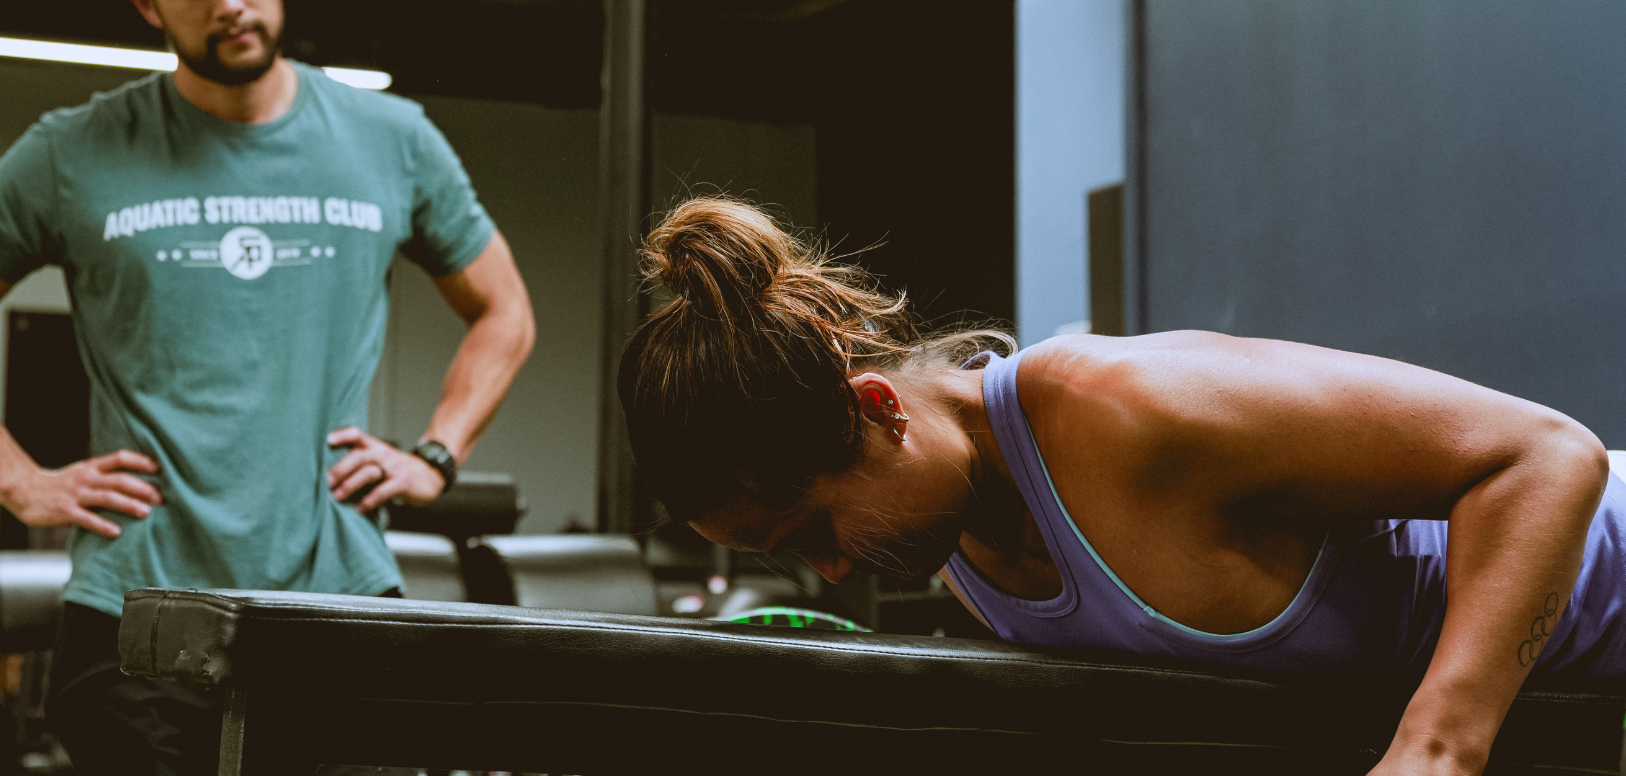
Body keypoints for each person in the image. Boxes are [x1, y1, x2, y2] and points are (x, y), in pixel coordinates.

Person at [0, 0, 536, 775]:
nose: (227, 2)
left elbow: (503, 308)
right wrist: (20, 481)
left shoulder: (394, 141)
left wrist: (434, 457)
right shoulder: (74, 152)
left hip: (337, 600)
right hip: (137, 613)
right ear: (145, 2)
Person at [618, 196, 1624, 776]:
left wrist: (1438, 749)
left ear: (878, 410)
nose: (832, 571)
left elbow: (1542, 454)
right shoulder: (956, 536)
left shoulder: (1120, 409)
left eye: (816, 531)